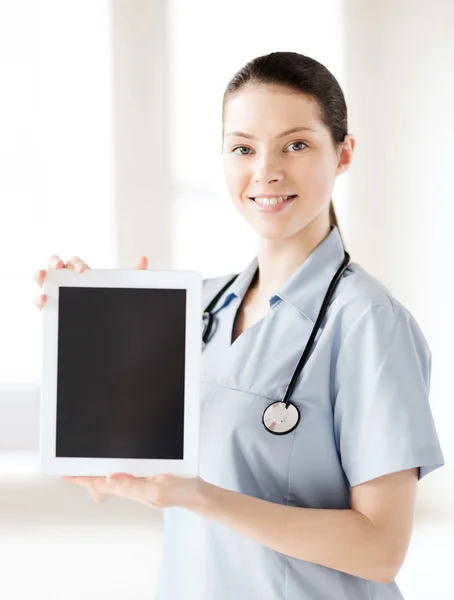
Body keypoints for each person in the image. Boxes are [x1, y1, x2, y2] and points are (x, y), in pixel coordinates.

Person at [34, 52, 445, 599]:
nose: (266, 171)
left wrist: (202, 497)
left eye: (295, 144)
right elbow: (122, 480)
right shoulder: (194, 308)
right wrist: (87, 331)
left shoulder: (368, 322)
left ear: (343, 153)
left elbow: (380, 550)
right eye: (243, 148)